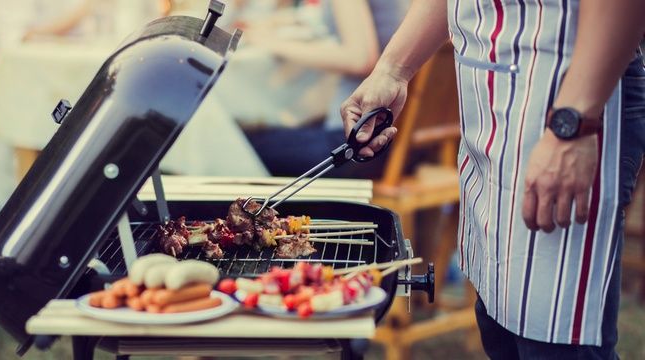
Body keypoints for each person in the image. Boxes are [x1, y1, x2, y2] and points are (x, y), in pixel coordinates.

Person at [341, 0, 645, 358]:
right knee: (499, 326)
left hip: (567, 100)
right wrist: (392, 70)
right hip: (489, 105)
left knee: (551, 337)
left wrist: (574, 125)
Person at [243, 0, 409, 178]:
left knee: (240, 142)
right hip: (397, 147)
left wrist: (270, 43)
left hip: (353, 146)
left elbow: (360, 58)